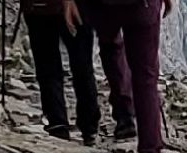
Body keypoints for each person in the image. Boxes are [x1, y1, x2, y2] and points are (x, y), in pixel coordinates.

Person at [22, 0, 130, 145]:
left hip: (38, 6)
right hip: (77, 6)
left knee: (47, 65)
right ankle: (89, 125)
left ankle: (57, 122)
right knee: (82, 65)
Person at [81, 0, 171, 153]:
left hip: (103, 7)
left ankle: (124, 115)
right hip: (142, 6)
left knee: (110, 46)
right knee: (146, 77)